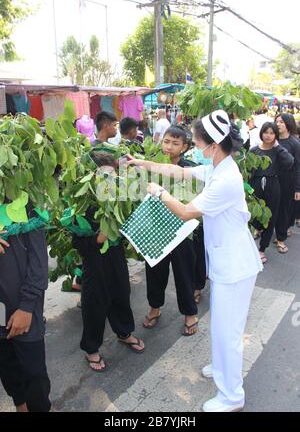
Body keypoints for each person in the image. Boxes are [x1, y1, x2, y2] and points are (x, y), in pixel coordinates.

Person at [128, 110, 263, 412]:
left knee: (229, 331)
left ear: (213, 145)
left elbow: (187, 211)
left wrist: (159, 192)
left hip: (235, 265)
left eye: (199, 142)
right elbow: (179, 172)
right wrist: (142, 164)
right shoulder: (217, 166)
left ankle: (231, 396)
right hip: (226, 259)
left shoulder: (226, 179)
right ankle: (221, 367)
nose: (196, 147)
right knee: (221, 326)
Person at [72, 151, 145, 373]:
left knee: (121, 292)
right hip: (95, 262)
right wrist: (99, 237)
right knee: (94, 303)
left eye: (112, 175)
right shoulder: (83, 204)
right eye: (104, 176)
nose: (109, 181)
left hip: (115, 257)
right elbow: (79, 243)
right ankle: (91, 348)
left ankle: (124, 332)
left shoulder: (117, 196)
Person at [143, 126, 205, 336]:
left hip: (183, 232)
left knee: (184, 272)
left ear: (185, 147)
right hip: (156, 230)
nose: (169, 147)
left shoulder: (190, 169)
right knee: (154, 271)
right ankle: (154, 307)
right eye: (166, 141)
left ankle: (189, 313)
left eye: (175, 143)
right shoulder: (150, 166)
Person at [0, 215, 51, 412]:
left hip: (24, 308)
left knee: (34, 374)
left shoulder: (26, 202)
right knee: (6, 366)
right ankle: (20, 406)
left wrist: (27, 306)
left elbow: (39, 261)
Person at [250, 122, 294, 263]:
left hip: (273, 184)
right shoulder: (254, 150)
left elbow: (289, 162)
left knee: (271, 216)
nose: (268, 136)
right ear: (261, 133)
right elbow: (249, 170)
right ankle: (257, 230)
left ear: (275, 135)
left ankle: (262, 249)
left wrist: (277, 146)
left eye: (271, 133)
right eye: (265, 132)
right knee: (254, 214)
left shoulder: (278, 150)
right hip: (256, 184)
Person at [274, 114, 300, 253]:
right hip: (273, 180)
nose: (278, 124)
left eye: (281, 122)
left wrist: (297, 189)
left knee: (284, 210)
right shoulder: (273, 139)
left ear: (288, 124)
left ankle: (280, 239)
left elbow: (298, 168)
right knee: (273, 208)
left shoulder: (294, 143)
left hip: (287, 182)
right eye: (276, 121)